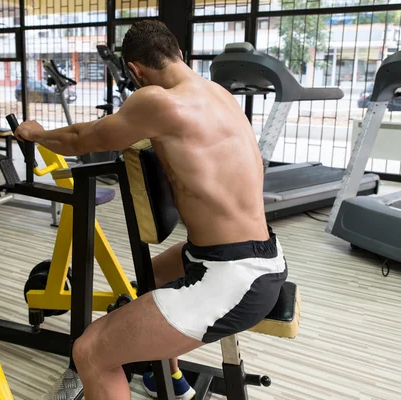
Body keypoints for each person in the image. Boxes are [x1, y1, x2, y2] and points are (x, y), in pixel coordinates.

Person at [14, 20, 288, 400]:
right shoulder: (219, 94)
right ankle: (166, 378)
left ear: (135, 71)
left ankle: (131, 365)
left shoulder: (157, 101)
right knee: (146, 281)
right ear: (178, 53)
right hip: (260, 256)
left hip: (232, 279)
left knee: (89, 352)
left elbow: (79, 139)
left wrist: (36, 134)